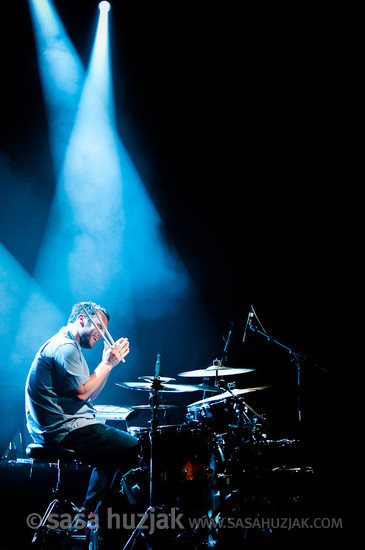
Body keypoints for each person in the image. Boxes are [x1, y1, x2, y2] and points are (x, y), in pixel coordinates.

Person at [25, 301, 139, 526]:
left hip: (64, 425)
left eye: (104, 331)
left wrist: (109, 365)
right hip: (62, 429)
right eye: (98, 326)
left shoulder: (70, 346)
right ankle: (106, 521)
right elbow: (82, 393)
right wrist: (106, 364)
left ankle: (90, 515)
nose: (101, 334)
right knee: (135, 448)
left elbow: (91, 394)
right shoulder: (65, 347)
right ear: (81, 319)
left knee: (111, 454)